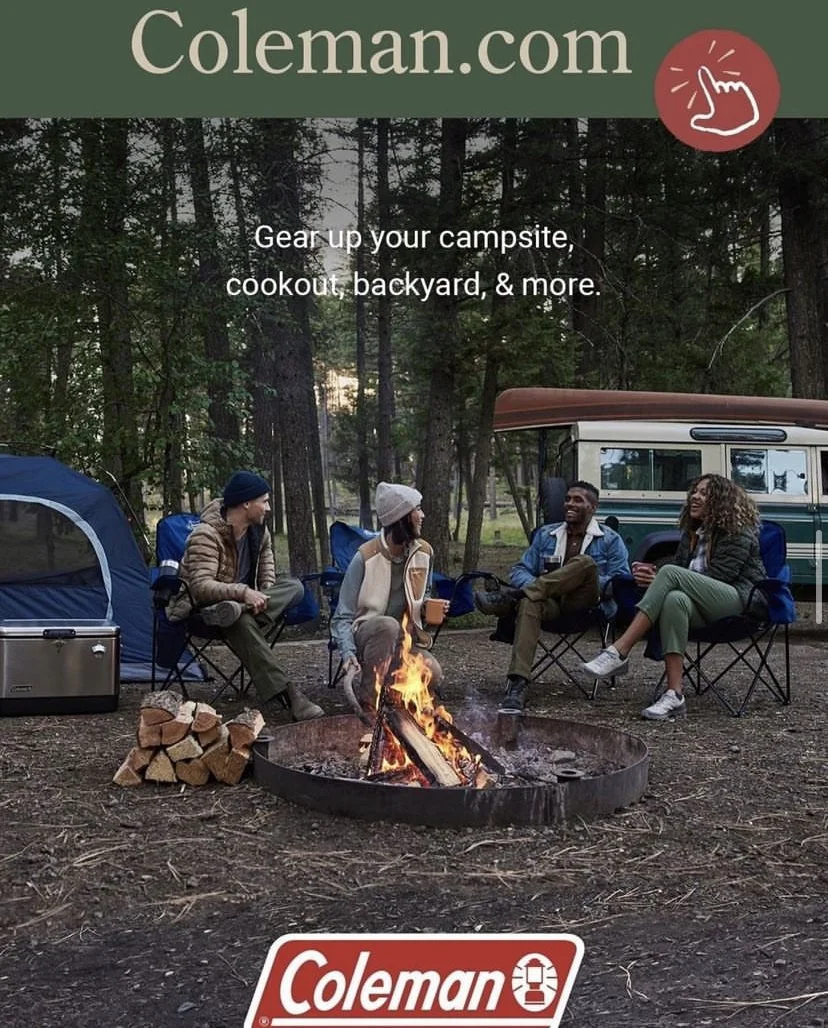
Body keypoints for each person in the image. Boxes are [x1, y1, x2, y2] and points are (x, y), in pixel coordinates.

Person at [581, 474, 768, 720]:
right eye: (694, 492)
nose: (695, 497)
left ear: (721, 501)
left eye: (703, 493)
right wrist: (655, 578)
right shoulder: (692, 533)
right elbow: (685, 574)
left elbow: (720, 577)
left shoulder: (738, 532)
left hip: (738, 602)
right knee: (673, 601)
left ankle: (619, 651)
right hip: (703, 603)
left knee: (670, 574)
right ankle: (674, 695)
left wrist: (666, 576)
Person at [167, 470, 324, 721]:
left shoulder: (259, 533)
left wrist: (258, 598)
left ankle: (239, 611)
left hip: (243, 606)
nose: (268, 508)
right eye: (264, 501)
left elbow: (267, 578)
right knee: (236, 618)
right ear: (247, 503)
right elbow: (200, 586)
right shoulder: (206, 534)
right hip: (204, 609)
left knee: (294, 587)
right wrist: (244, 593)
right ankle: (292, 694)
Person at [474, 481, 630, 713]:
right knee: (529, 602)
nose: (569, 503)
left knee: (585, 564)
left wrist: (576, 580)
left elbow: (621, 580)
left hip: (586, 604)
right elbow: (519, 569)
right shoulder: (547, 535)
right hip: (550, 604)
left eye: (578, 500)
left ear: (593, 507)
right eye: (568, 499)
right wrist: (543, 587)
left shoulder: (609, 539)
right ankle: (517, 684)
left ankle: (512, 597)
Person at [331, 482, 449, 712]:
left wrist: (427, 608)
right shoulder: (365, 557)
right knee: (387, 625)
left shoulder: (424, 553)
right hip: (368, 637)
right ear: (402, 518)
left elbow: (421, 597)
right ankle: (370, 700)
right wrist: (347, 652)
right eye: (417, 509)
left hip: (404, 644)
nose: (422, 515)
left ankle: (393, 698)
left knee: (433, 674)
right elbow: (341, 617)